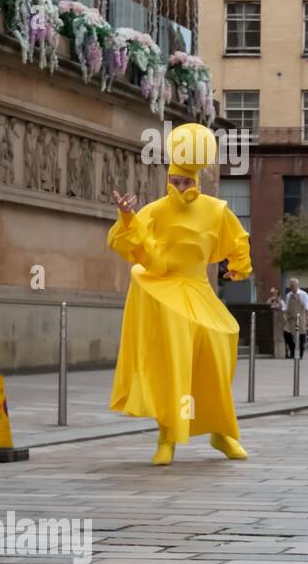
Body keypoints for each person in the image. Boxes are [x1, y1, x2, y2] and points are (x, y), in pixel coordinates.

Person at [107, 123, 251, 467]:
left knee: (217, 354)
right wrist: (127, 216)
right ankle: (167, 436)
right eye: (175, 182)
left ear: (197, 181)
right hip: (165, 288)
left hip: (198, 289)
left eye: (186, 182)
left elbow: (237, 240)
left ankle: (221, 430)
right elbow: (131, 240)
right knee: (174, 363)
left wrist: (239, 267)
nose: (181, 187)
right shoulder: (156, 210)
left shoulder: (216, 210)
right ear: (168, 180)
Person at [282, 277, 308, 359]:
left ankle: (300, 354)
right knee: (286, 333)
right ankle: (292, 349)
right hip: (290, 318)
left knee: (301, 335)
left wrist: (307, 316)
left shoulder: (303, 294)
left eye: (293, 285)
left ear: (297, 285)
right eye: (290, 285)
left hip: (300, 317)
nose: (292, 287)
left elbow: (307, 306)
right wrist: (285, 315)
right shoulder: (289, 295)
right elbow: (286, 307)